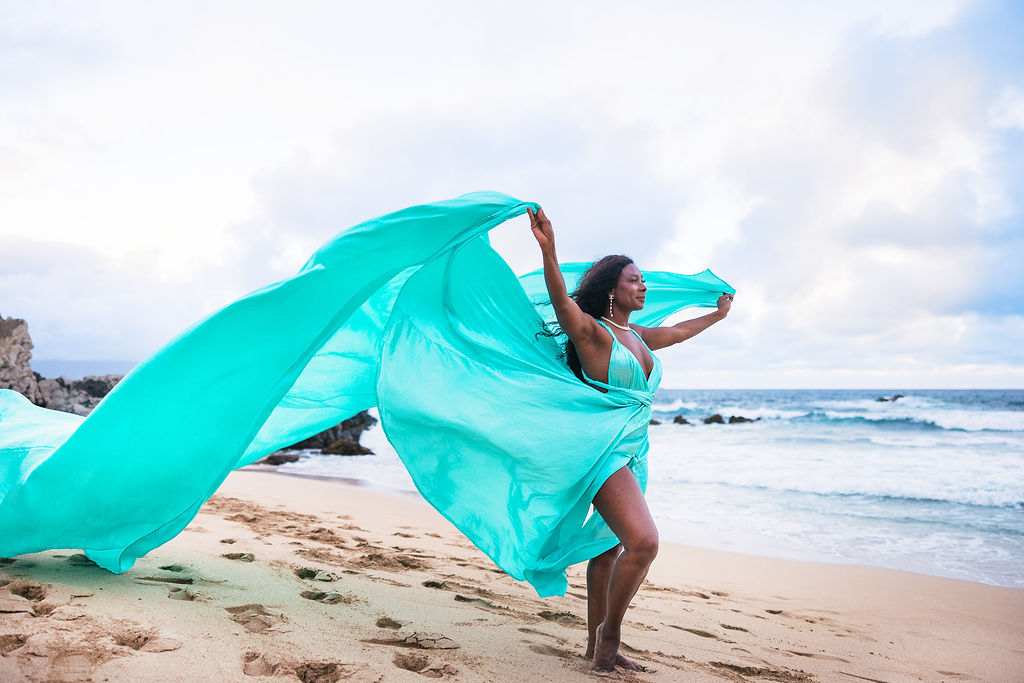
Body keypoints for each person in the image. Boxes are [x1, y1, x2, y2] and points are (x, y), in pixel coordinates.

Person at [527, 206, 733, 671]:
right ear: (611, 289)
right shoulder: (593, 334)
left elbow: (677, 332)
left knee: (609, 550)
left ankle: (594, 647)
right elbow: (562, 302)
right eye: (635, 280)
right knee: (644, 543)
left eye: (643, 281)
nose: (643, 286)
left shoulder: (635, 334)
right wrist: (549, 249)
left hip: (634, 452)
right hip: (603, 454)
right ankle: (609, 638)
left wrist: (716, 317)